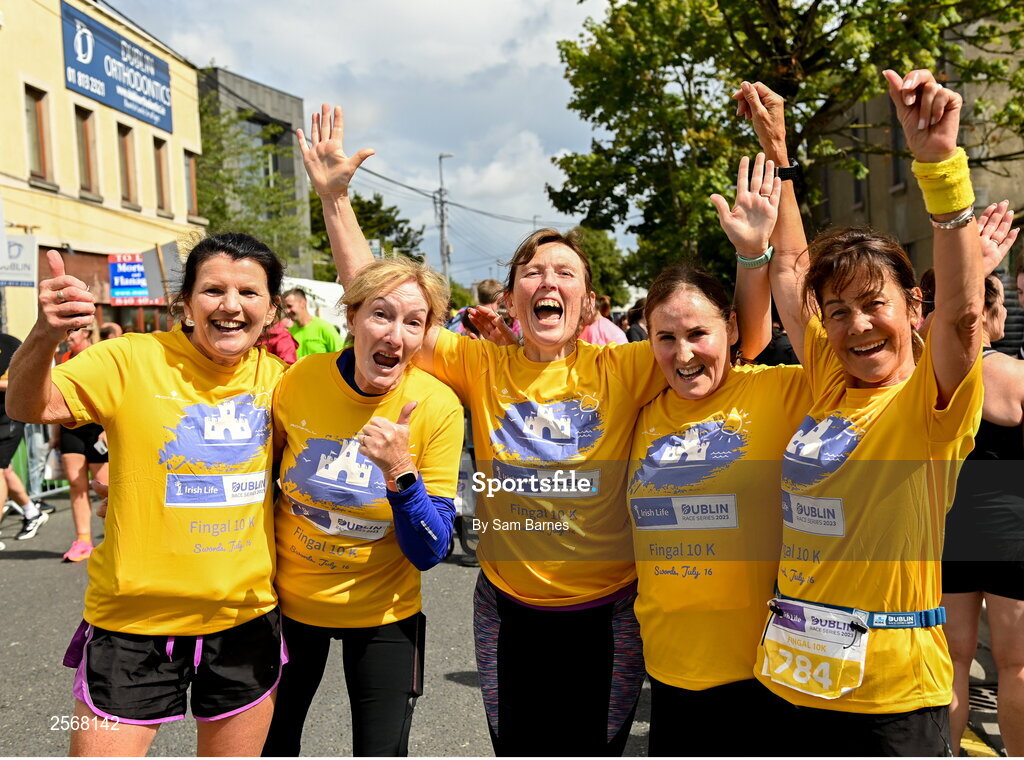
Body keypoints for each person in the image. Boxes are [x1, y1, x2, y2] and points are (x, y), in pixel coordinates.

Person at [297, 103, 771, 756]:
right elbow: (374, 296)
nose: (547, 279)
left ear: (587, 302)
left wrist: (754, 256)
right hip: (506, 611)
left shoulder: (628, 365)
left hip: (606, 614)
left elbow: (737, 337)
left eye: (564, 272)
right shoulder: (481, 362)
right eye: (532, 271)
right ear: (513, 298)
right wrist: (334, 199)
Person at [742, 71, 984, 754]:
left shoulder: (929, 401)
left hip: (891, 702)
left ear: (913, 310)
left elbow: (964, 319)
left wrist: (939, 170)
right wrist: (780, 151)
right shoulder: (828, 380)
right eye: (840, 311)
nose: (856, 326)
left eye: (875, 303)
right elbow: (790, 269)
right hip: (794, 681)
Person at [6, 233, 288, 756]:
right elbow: (28, 406)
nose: (231, 306)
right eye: (213, 290)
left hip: (244, 621)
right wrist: (45, 334)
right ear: (184, 302)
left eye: (249, 293)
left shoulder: (281, 381)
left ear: (272, 309)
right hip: (132, 625)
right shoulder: (128, 358)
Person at [632, 152, 811, 756]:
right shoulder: (639, 410)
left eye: (698, 333)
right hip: (670, 673)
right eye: (666, 337)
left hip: (765, 672)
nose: (683, 353)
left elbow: (811, 321)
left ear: (731, 330)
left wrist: (760, 249)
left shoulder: (779, 390)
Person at [262, 257, 462, 757]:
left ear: (424, 335)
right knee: (273, 744)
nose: (395, 335)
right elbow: (265, 482)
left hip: (385, 613)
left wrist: (400, 473)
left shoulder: (437, 407)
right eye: (381, 314)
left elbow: (430, 551)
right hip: (288, 605)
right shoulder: (299, 380)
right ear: (350, 318)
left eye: (413, 322)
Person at [942, 267, 1024, 756]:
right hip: (1014, 529)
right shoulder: (1016, 377)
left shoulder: (935, 371)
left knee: (952, 661)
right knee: (1016, 666)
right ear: (990, 315)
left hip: (953, 527)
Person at [53, 326, 108, 562]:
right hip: (69, 427)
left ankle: (113, 539)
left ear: (86, 332)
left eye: (72, 332)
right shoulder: (63, 359)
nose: (68, 337)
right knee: (76, 486)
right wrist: (55, 436)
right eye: (65, 332)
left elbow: (113, 394)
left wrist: (108, 429)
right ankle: (83, 540)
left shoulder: (101, 355)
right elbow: (56, 400)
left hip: (98, 428)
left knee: (104, 487)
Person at [1, 332, 48, 543]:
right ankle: (32, 512)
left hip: (9, 417)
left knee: (0, 469)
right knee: (7, 471)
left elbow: (23, 380)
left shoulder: (10, 344)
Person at [282, 287, 344, 357]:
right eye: (284, 307)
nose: (286, 311)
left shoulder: (324, 328)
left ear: (303, 303)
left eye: (289, 306)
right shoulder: (290, 333)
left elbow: (342, 357)